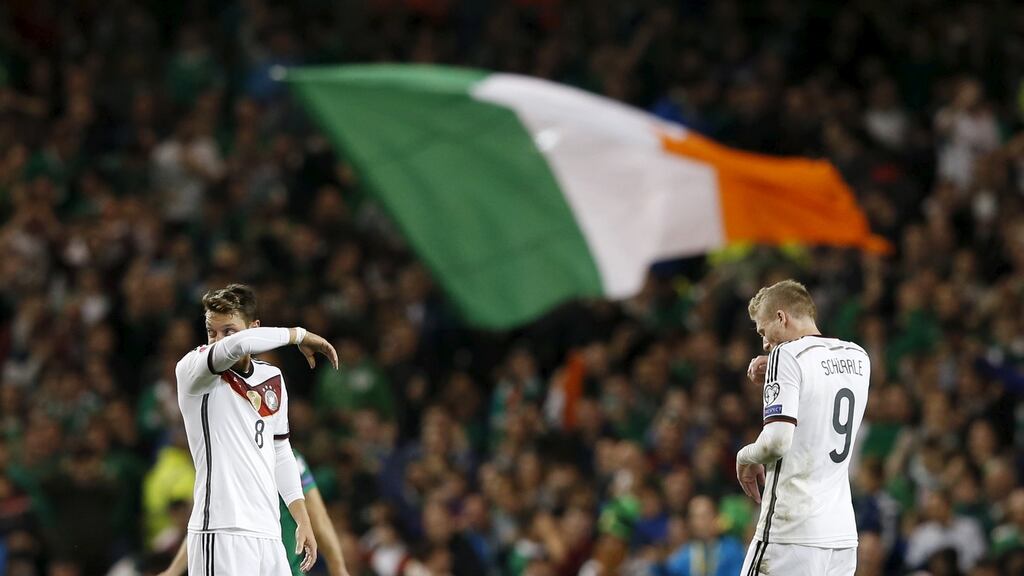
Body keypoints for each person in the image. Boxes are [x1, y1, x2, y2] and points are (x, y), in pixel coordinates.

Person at [173, 283, 338, 574]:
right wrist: (300, 334)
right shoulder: (194, 369)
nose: (218, 340)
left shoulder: (271, 376)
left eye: (229, 330)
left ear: (254, 328)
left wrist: (302, 518)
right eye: (212, 331)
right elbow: (235, 347)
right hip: (221, 529)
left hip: (268, 532)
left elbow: (280, 451)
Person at [736, 280, 871, 575]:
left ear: (782, 318)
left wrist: (745, 457)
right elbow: (819, 379)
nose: (764, 343)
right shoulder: (859, 357)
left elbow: (775, 443)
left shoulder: (786, 356)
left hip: (792, 532)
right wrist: (773, 364)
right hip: (841, 538)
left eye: (763, 331)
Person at [158, 449, 352, 576]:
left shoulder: (285, 458)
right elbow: (205, 522)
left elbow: (317, 517)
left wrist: (338, 568)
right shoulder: (225, 462)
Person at [657, 495, 745, 576]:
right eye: (696, 517)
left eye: (705, 516)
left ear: (716, 517)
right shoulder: (682, 556)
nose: (701, 522)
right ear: (690, 522)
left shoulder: (733, 550)